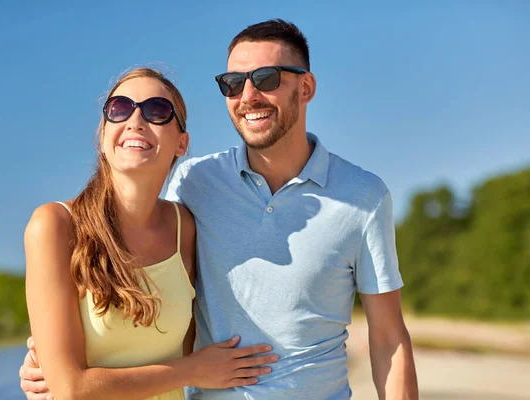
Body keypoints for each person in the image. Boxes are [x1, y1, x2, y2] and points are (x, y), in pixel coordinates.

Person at [21, 19, 418, 399]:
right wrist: (49, 361)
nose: (248, 96)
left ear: (306, 87)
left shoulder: (363, 197)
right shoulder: (193, 184)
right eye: (233, 84)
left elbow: (387, 337)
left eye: (267, 78)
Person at [22, 67, 278, 400]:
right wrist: (195, 371)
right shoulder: (55, 225)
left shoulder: (183, 227)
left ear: (181, 143)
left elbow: (191, 339)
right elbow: (71, 388)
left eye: (157, 110)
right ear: (103, 134)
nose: (136, 120)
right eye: (119, 109)